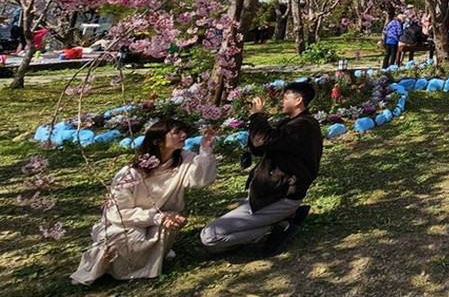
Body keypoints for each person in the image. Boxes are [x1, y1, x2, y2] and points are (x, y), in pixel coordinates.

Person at [71, 120, 218, 285]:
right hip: (127, 221)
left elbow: (200, 180)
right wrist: (155, 217)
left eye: (183, 131)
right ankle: (115, 267)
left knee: (165, 227)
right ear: (158, 141)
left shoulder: (184, 159)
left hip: (164, 217)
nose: (184, 135)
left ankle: (145, 263)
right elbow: (117, 213)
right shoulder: (130, 174)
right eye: (177, 132)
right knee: (122, 239)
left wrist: (206, 149)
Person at [200, 81, 323, 256]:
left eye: (285, 97)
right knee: (214, 236)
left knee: (210, 237)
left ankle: (276, 227)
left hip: (280, 196)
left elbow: (262, 140)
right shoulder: (291, 123)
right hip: (266, 194)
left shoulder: (304, 126)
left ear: (298, 100)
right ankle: (279, 222)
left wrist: (257, 116)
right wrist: (255, 122)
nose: (281, 101)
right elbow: (259, 147)